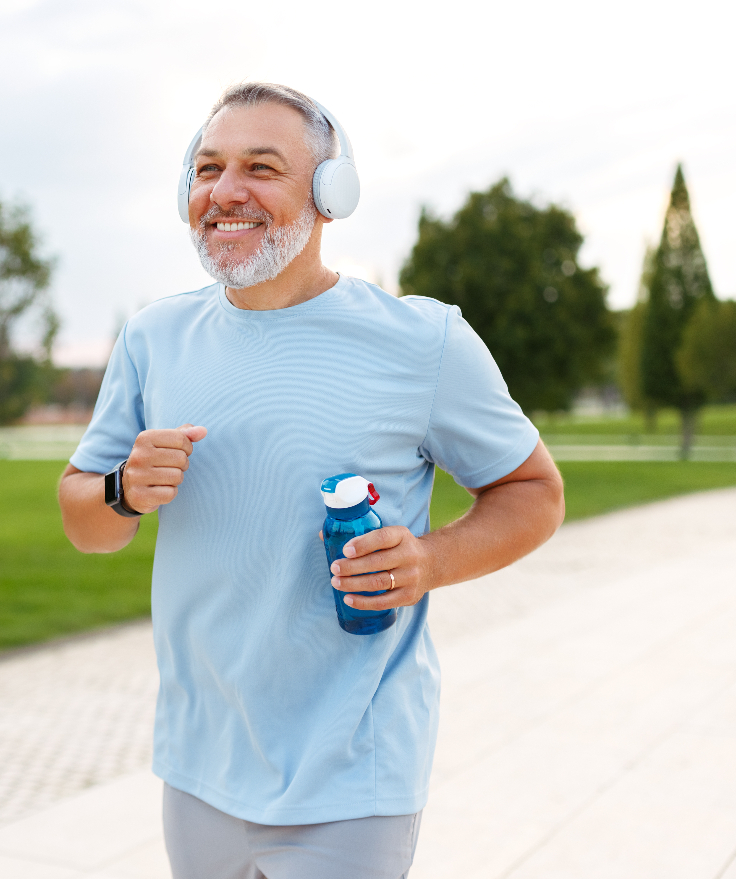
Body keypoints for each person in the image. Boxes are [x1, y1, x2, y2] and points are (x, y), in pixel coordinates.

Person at [57, 83, 564, 879]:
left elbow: (536, 493)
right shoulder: (154, 338)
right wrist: (121, 488)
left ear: (331, 195)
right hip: (200, 763)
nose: (226, 192)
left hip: (353, 774)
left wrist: (428, 561)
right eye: (207, 168)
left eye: (261, 167)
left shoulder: (423, 341)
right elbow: (86, 521)